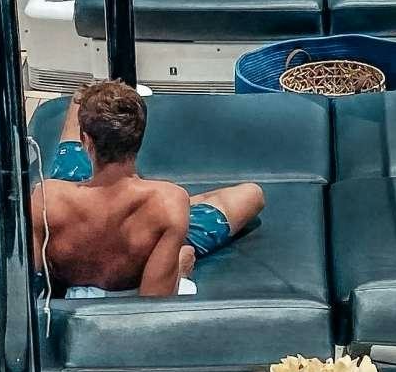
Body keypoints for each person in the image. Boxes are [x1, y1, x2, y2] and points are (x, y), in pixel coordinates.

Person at [34, 80, 266, 295]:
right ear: (139, 138)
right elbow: (153, 302)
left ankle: (95, 97)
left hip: (71, 209)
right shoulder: (169, 203)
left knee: (78, 101)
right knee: (252, 194)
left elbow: (34, 282)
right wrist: (180, 268)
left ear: (86, 141)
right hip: (149, 221)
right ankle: (182, 201)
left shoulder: (47, 196)